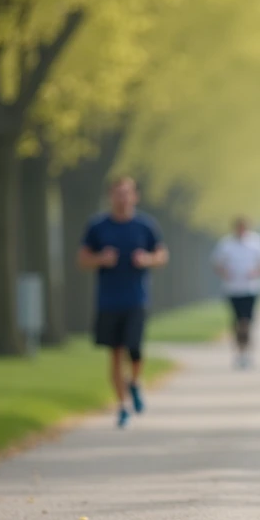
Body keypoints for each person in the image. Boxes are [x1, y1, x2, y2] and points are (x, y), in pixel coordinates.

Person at [78, 176, 169, 428]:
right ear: (110, 196)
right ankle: (122, 406)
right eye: (117, 193)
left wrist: (147, 260)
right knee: (115, 354)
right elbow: (82, 258)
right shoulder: (98, 226)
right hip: (108, 300)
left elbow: (162, 255)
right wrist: (100, 259)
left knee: (136, 349)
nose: (122, 198)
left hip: (136, 298)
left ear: (134, 196)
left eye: (126, 193)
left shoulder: (145, 225)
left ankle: (136, 382)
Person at [211, 217, 260, 369]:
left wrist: (257, 271)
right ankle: (239, 350)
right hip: (232, 288)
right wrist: (225, 272)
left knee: (246, 321)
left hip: (251, 288)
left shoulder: (257, 242)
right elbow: (216, 262)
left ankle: (246, 352)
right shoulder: (226, 244)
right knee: (236, 321)